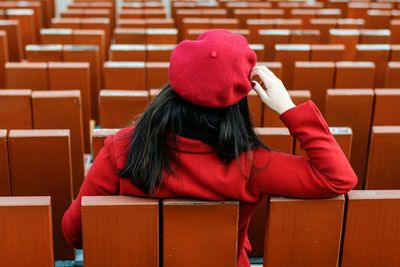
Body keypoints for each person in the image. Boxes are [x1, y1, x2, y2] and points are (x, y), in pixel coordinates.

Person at [62, 29, 357, 267]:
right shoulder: (252, 166)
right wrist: (288, 109)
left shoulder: (122, 148)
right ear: (239, 97)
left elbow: (74, 233)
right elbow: (338, 178)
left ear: (173, 87)